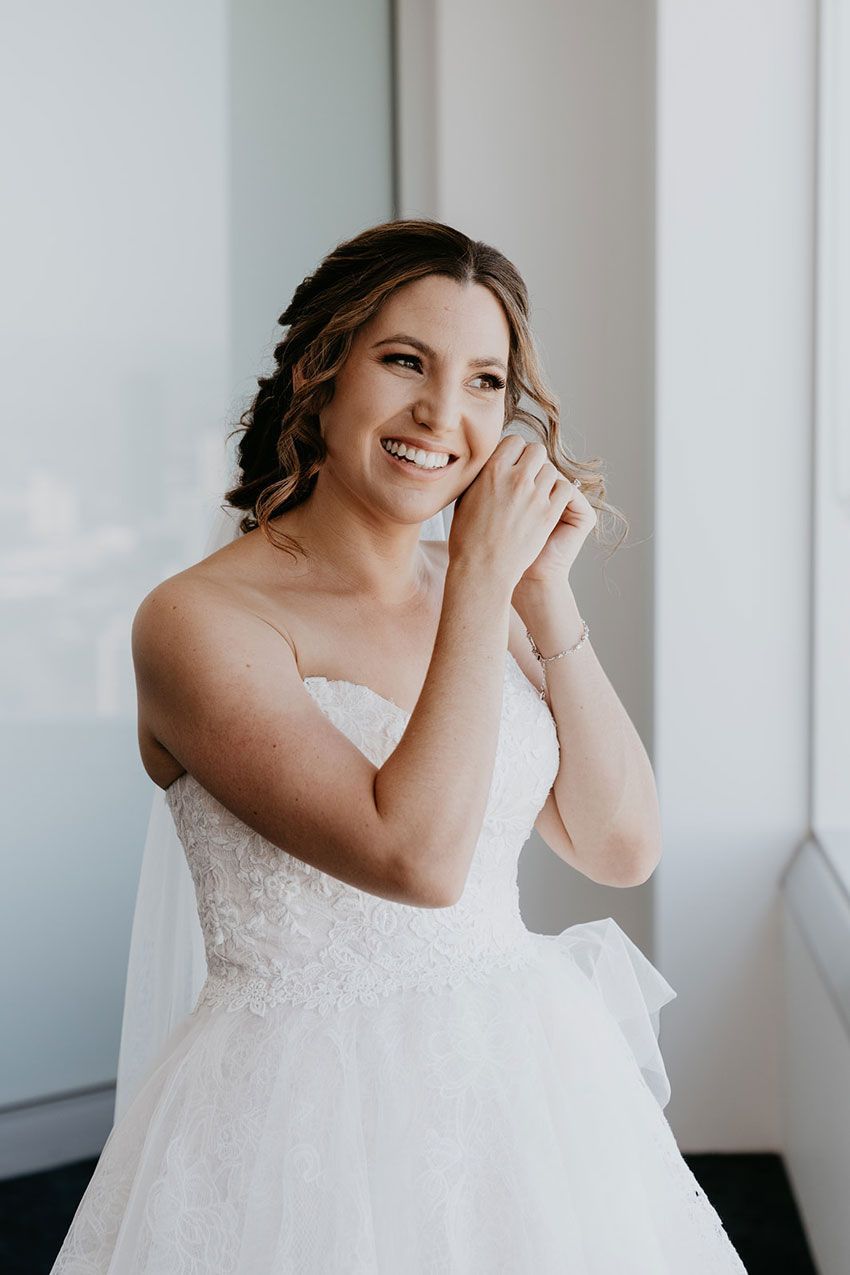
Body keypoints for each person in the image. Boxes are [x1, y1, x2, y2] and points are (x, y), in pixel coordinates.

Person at [50, 219, 747, 1272]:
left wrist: (545, 600)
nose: (441, 414)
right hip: (297, 1118)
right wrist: (476, 582)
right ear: (316, 372)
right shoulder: (197, 623)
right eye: (404, 362)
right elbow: (414, 860)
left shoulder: (491, 597)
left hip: (524, 1083)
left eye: (482, 382)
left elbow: (619, 848)